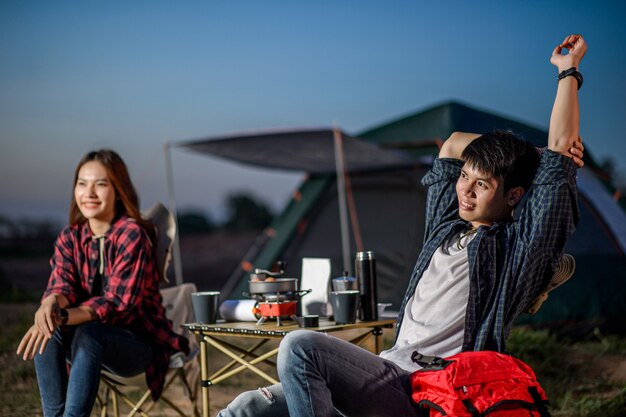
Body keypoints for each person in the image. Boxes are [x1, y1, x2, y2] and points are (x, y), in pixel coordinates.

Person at [217, 33, 587, 417]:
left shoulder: (516, 246)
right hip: (389, 369)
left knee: (300, 346)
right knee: (245, 407)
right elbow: (451, 146)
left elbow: (559, 158)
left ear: (514, 195)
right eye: (466, 177)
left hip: (431, 386)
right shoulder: (446, 228)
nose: (467, 191)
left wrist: (568, 71)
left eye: (483, 184)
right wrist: (525, 156)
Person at [16, 149, 189, 417]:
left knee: (89, 332)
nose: (90, 192)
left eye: (101, 184)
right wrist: (50, 304)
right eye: (82, 183)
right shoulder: (70, 238)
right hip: (85, 344)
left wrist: (61, 315)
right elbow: (63, 283)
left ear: (118, 190)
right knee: (46, 326)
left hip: (137, 346)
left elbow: (115, 306)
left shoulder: (133, 236)